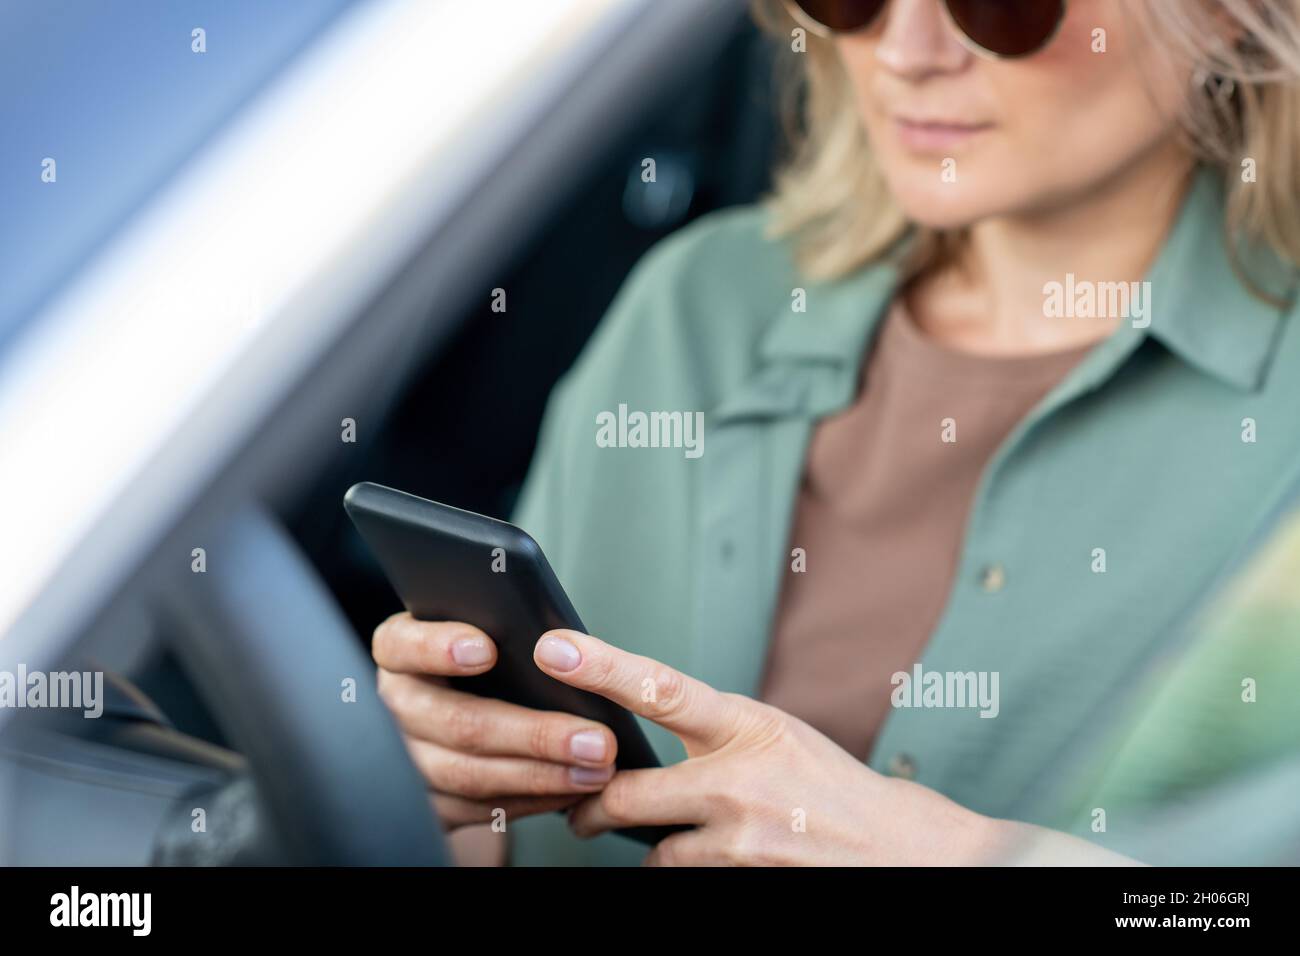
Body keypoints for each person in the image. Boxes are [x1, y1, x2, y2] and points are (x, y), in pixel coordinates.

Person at [374, 0, 1300, 865]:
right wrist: (451, 787)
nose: (906, 51)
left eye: (998, 5)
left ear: (1221, 19)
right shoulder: (703, 303)